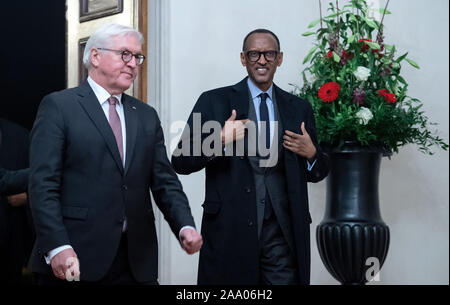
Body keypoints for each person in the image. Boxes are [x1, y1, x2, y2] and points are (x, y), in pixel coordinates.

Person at [28, 23, 202, 285]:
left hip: (135, 262)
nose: (133, 63)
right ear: (95, 56)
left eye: (138, 56)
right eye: (125, 54)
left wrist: (185, 225)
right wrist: (57, 246)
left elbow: (164, 181)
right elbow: (43, 184)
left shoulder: (145, 115)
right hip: (74, 257)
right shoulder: (59, 106)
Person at [171, 29, 330, 285]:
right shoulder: (214, 101)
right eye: (254, 54)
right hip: (230, 229)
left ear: (279, 59)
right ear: (243, 59)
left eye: (269, 54)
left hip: (283, 232)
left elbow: (318, 171)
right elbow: (180, 161)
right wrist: (219, 139)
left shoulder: (298, 108)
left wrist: (311, 153)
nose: (262, 60)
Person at [0, 119, 33, 283]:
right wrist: (50, 168)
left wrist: (29, 197)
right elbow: (5, 179)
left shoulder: (20, 135)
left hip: (14, 236)